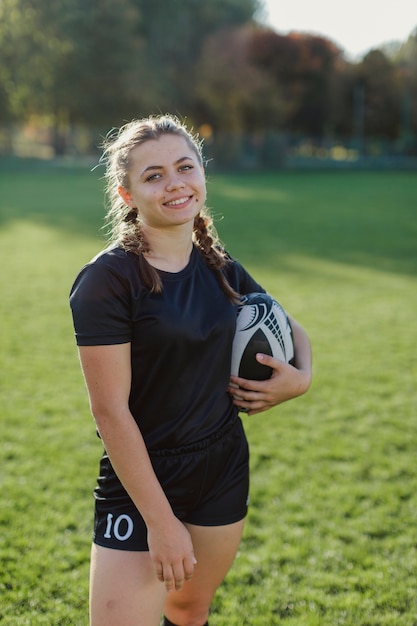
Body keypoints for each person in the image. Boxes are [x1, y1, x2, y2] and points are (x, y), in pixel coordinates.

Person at [69, 114, 312, 626]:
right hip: (142, 478)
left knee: (190, 609)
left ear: (202, 174)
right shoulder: (107, 281)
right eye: (154, 175)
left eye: (185, 166)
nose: (175, 183)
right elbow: (110, 412)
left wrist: (301, 377)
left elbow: (289, 326)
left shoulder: (218, 263)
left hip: (222, 465)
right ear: (127, 194)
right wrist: (160, 522)